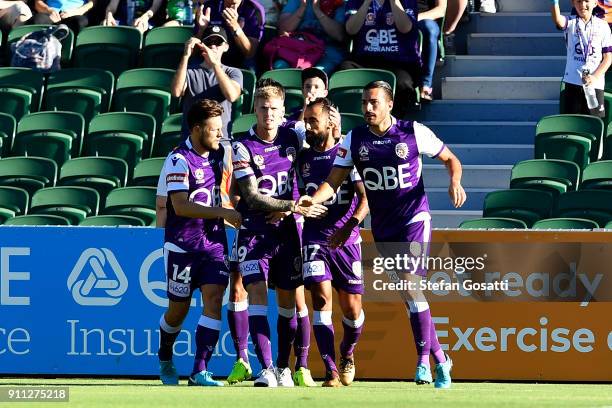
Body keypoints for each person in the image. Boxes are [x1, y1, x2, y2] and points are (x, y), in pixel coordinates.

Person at [300, 81, 466, 389]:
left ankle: (422, 365)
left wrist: (455, 182)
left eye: (374, 102)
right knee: (409, 294)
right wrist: (313, 199)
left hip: (414, 218)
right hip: (384, 226)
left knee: (412, 286)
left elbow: (451, 159)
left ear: (389, 105)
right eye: (364, 102)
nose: (367, 108)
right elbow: (333, 182)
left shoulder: (413, 132)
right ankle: (441, 358)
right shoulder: (354, 139)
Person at [230, 79, 327, 387]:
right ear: (254, 110)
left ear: (283, 111)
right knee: (256, 294)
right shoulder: (241, 146)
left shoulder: (294, 135)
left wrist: (288, 210)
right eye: (263, 109)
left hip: (289, 231)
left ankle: (291, 367)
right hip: (255, 231)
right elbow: (252, 196)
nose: (268, 115)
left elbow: (326, 134)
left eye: (274, 109)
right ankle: (266, 368)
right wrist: (292, 204)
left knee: (291, 301)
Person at [156, 99, 242, 387]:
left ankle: (199, 371)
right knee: (177, 311)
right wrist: (222, 212)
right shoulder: (178, 159)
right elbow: (180, 206)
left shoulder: (220, 156)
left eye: (222, 128)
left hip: (214, 243)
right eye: (214, 129)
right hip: (182, 246)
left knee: (215, 301)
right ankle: (165, 354)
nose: (220, 134)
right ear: (196, 129)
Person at [297, 97, 369, 387]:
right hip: (314, 237)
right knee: (321, 299)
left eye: (313, 121)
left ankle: (347, 353)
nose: (308, 127)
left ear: (330, 122)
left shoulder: (347, 155)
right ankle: (330, 370)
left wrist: (350, 226)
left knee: (352, 309)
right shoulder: (301, 159)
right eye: (306, 121)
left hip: (346, 239)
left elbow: (365, 199)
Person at [341, 0, 421, 116]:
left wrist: (394, 2)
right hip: (366, 59)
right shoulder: (356, 2)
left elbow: (405, 28)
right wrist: (366, 3)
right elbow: (351, 29)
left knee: (403, 83)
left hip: (398, 61)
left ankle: (394, 123)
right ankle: (355, 118)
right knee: (345, 70)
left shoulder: (407, 2)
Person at [171, 25, 243, 141]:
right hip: (192, 141)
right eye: (209, 42)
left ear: (226, 47)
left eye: (218, 43)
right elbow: (176, 92)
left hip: (221, 141)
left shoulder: (233, 72)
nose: (213, 46)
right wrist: (186, 56)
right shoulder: (189, 71)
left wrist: (215, 64)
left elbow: (232, 95)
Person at [552, 0, 612, 117]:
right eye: (578, 1)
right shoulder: (570, 22)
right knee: (571, 123)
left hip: (595, 84)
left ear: (595, 3)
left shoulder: (603, 26)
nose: (583, 5)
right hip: (572, 82)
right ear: (573, 3)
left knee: (594, 123)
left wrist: (595, 77)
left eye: (587, 1)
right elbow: (558, 20)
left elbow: (608, 58)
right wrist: (555, 3)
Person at [276, 0, 346, 74]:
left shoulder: (339, 3)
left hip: (327, 52)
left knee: (315, 76)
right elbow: (283, 29)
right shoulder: (296, 2)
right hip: (298, 49)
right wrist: (302, 8)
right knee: (280, 67)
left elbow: (339, 35)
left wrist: (317, 11)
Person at [192, 0, 265, 70]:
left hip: (239, 60)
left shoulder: (253, 9)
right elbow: (194, 51)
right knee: (192, 63)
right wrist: (201, 29)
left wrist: (235, 26)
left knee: (249, 66)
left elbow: (250, 53)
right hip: (210, 56)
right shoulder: (209, 6)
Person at [417, 0, 446, 101]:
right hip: (395, 19)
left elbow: (440, 10)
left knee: (429, 28)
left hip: (424, 19)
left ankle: (426, 84)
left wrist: (414, 18)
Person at [101, 0, 165, 33]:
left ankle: (137, 56)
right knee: (104, 25)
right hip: (123, 20)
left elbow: (155, 6)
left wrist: (145, 18)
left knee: (138, 29)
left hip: (145, 19)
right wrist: (109, 16)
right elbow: (112, 7)